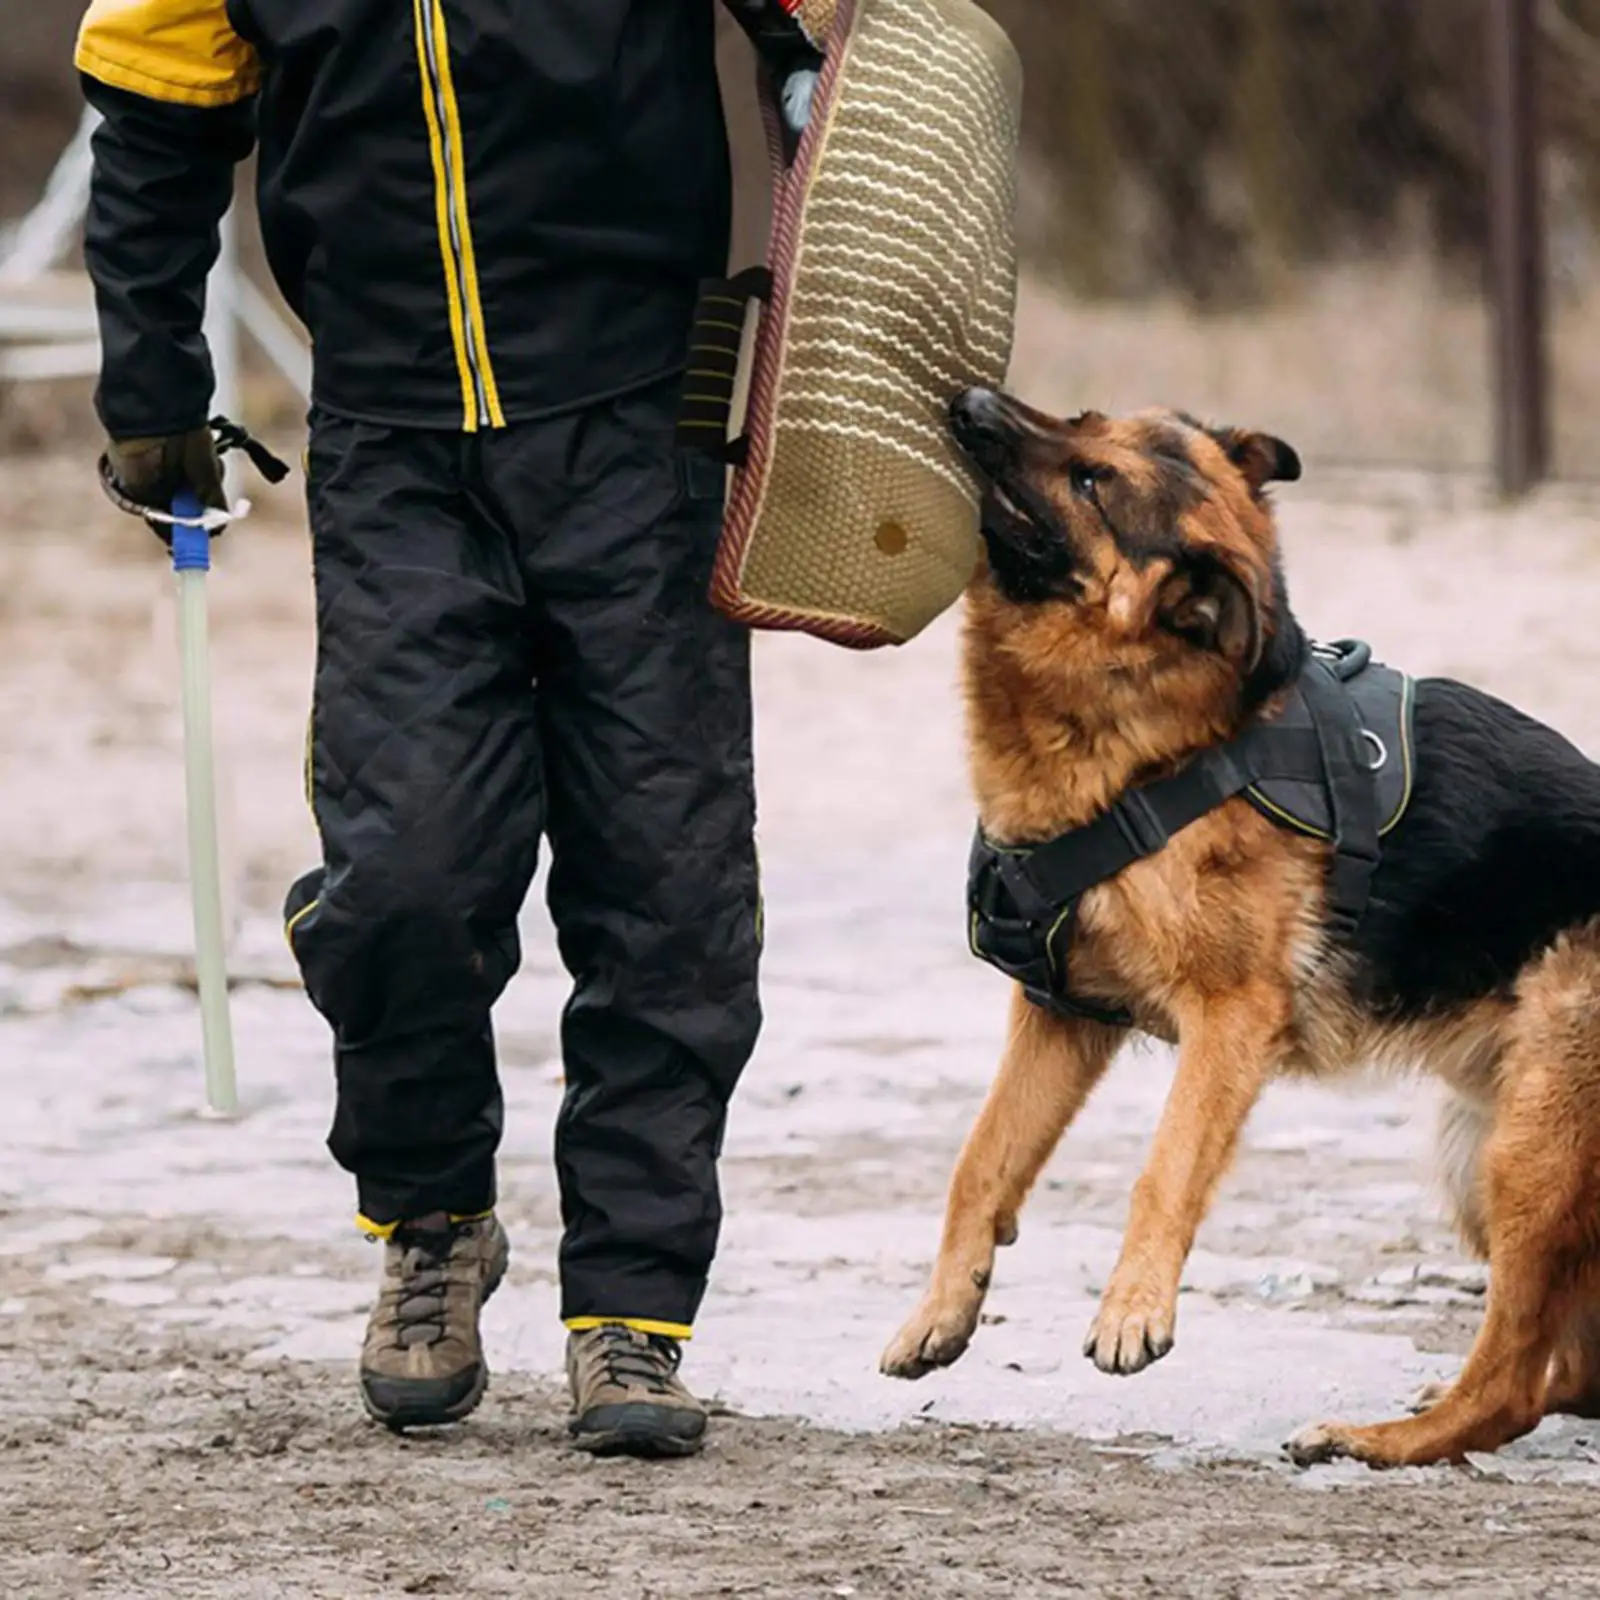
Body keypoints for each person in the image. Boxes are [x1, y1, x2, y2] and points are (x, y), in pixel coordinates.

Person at [75, 0, 822, 1460]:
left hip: (644, 413)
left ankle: (632, 1310)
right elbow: (155, 123)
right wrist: (152, 388)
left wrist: (827, 154)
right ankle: (432, 1224)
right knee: (403, 876)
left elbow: (828, 42)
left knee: (665, 884)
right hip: (389, 441)